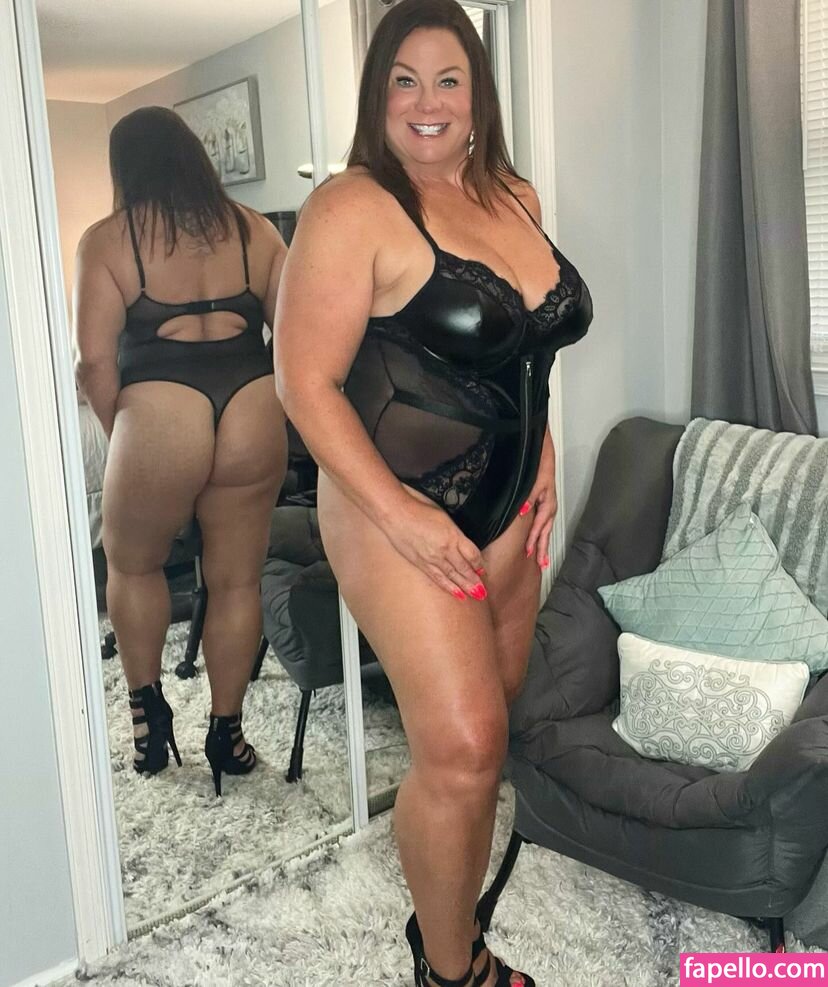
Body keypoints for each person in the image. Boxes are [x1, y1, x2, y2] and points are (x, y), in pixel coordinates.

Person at [274, 0, 592, 983]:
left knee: (481, 734)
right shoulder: (353, 207)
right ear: (378, 96)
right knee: (463, 750)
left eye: (448, 79)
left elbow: (526, 351)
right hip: (393, 505)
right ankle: (454, 969)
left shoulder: (514, 195)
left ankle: (436, 923)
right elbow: (304, 384)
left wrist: (542, 451)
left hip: (510, 507)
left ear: (477, 95)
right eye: (403, 80)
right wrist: (403, 514)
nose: (427, 101)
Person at [73, 106, 288, 798]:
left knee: (132, 565)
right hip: (252, 404)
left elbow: (93, 365)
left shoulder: (108, 240)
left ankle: (149, 722)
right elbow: (295, 340)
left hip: (161, 412)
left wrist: (126, 436)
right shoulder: (256, 230)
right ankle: (228, 733)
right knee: (236, 582)